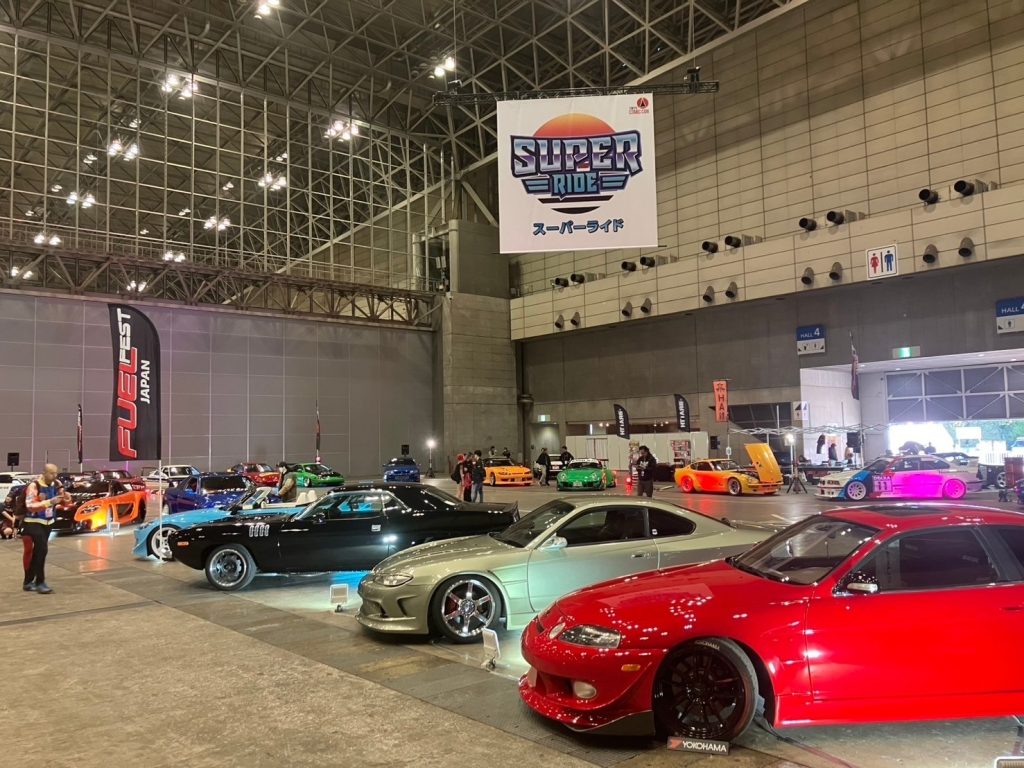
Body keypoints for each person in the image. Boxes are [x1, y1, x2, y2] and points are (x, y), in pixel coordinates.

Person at [22, 464, 71, 594]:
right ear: (44, 473)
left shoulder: (56, 484)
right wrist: (49, 502)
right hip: (33, 522)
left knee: (38, 552)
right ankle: (40, 582)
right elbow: (30, 505)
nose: (54, 476)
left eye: (56, 473)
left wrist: (66, 499)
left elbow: (62, 501)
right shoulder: (34, 486)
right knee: (42, 550)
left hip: (48, 522)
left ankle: (28, 581)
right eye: (51, 473)